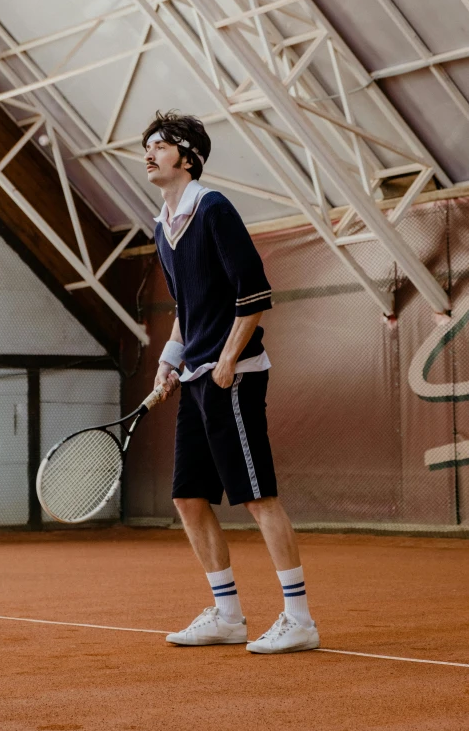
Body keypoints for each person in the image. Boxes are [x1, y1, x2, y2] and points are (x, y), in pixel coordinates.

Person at [142, 110, 319, 654]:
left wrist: (224, 362)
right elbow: (186, 309)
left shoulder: (213, 208)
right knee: (190, 498)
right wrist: (169, 362)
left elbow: (255, 295)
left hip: (233, 377)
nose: (149, 152)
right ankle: (227, 615)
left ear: (189, 156)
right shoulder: (162, 226)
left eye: (161, 144)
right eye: (145, 146)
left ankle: (299, 619)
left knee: (256, 496)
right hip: (195, 377)